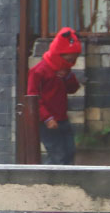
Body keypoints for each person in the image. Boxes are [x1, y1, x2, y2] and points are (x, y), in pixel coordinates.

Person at [27, 27, 82, 165]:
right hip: (47, 122)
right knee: (58, 155)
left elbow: (73, 89)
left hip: (62, 119)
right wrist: (47, 118)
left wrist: (68, 76)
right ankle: (48, 182)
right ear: (59, 55)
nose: (71, 62)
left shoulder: (64, 71)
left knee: (69, 152)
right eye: (69, 59)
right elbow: (33, 97)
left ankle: (65, 182)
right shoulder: (39, 71)